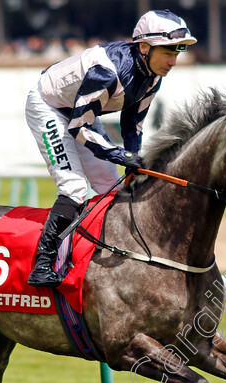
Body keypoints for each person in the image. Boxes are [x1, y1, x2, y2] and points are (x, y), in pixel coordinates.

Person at [24, 9, 197, 287]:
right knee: (74, 187)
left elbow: (133, 125)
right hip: (49, 107)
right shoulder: (106, 73)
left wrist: (133, 161)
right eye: (167, 52)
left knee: (111, 187)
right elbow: (78, 128)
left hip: (80, 112)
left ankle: (104, 254)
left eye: (176, 53)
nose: (173, 61)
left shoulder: (153, 76)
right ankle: (42, 262)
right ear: (144, 47)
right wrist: (121, 155)